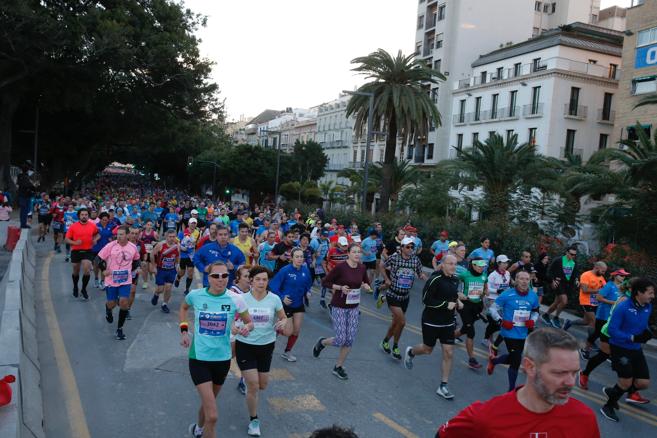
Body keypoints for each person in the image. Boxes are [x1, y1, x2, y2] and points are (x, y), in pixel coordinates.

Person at [437, 328, 601, 438]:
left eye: (575, 372)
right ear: (530, 367)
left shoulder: (584, 418)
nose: (571, 382)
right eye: (560, 373)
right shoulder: (485, 418)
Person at [180, 261, 253, 438]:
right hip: (199, 359)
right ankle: (203, 428)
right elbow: (183, 308)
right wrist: (184, 330)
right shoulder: (195, 295)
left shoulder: (236, 299)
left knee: (208, 405)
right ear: (208, 278)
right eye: (215, 276)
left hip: (222, 360)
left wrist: (246, 328)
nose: (220, 280)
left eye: (224, 276)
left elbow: (249, 322)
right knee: (212, 416)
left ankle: (198, 428)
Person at [235, 265, 290, 437]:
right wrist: (236, 328)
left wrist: (282, 322)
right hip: (245, 345)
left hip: (266, 346)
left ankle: (247, 379)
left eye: (264, 280)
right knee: (254, 385)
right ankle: (254, 420)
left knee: (263, 385)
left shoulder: (274, 299)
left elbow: (283, 317)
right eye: (257, 279)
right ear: (250, 280)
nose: (261, 282)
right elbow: (232, 319)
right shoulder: (241, 299)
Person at [403, 255, 461, 399]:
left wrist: (458, 301)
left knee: (449, 353)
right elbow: (426, 300)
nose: (453, 266)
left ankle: (443, 386)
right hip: (431, 321)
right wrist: (445, 305)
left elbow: (451, 295)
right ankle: (411, 352)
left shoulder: (455, 279)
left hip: (448, 322)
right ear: (443, 265)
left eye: (455, 264)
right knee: (427, 349)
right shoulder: (435, 279)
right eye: (450, 264)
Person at [313, 244, 372, 380]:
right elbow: (325, 282)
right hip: (338, 306)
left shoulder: (362, 268)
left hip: (354, 307)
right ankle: (322, 342)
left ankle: (338, 366)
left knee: (349, 340)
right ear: (348, 254)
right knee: (340, 339)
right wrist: (340, 287)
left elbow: (365, 282)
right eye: (354, 252)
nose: (357, 254)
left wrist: (366, 286)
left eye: (359, 252)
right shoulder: (340, 267)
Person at [600, 277, 654, 422]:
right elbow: (612, 330)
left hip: (636, 349)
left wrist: (648, 332)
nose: (652, 296)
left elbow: (643, 325)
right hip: (620, 347)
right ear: (639, 293)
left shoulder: (648, 307)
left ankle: (614, 391)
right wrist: (631, 338)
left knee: (643, 383)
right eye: (650, 293)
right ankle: (608, 406)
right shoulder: (623, 307)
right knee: (626, 381)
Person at [579, 269, 634, 388]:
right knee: (596, 335)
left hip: (614, 324)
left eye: (625, 276)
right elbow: (599, 298)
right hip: (604, 316)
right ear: (615, 276)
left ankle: (631, 390)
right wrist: (613, 303)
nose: (623, 278)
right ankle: (586, 350)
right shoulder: (609, 286)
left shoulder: (624, 292)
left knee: (617, 357)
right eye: (621, 275)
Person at [487, 271, 540, 392]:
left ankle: (494, 360)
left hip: (523, 332)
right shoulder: (507, 294)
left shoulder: (533, 296)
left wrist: (532, 320)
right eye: (521, 279)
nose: (524, 281)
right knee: (516, 360)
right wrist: (501, 321)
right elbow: (492, 309)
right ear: (516, 280)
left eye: (527, 279)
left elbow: (536, 311)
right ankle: (511, 391)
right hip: (509, 331)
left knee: (513, 358)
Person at [380, 236, 428, 359]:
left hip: (405, 296)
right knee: (401, 322)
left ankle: (385, 341)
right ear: (401, 248)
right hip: (393, 294)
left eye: (412, 247)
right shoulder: (394, 258)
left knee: (396, 322)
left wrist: (424, 277)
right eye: (407, 247)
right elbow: (382, 266)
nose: (410, 249)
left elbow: (419, 272)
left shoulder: (415, 260)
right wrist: (386, 279)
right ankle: (395, 346)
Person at [269, 248, 313, 362]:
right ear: (292, 258)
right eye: (297, 256)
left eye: (301, 256)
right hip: (286, 304)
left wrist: (308, 291)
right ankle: (276, 329)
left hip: (299, 304)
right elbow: (273, 286)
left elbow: (308, 284)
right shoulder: (285, 270)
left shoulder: (305, 270)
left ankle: (287, 352)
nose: (299, 259)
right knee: (288, 331)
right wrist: (282, 297)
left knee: (296, 330)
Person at [97, 225, 141, 340]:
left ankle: (119, 329)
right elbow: (99, 259)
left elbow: (136, 260)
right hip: (111, 280)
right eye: (118, 234)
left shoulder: (133, 247)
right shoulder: (110, 246)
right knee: (111, 303)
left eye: (121, 234)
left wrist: (133, 271)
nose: (119, 236)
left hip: (125, 280)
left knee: (123, 302)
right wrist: (104, 270)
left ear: (127, 235)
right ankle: (108, 309)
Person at [454, 258, 488, 369]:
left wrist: (484, 293)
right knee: (471, 331)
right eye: (479, 266)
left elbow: (485, 289)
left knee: (465, 328)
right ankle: (472, 359)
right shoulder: (464, 275)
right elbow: (452, 283)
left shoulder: (484, 276)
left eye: (483, 266)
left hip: (476, 306)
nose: (482, 268)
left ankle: (448, 337)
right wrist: (458, 293)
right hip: (465, 305)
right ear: (473, 265)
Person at [563, 261, 607, 336]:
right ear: (596, 268)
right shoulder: (586, 275)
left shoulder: (601, 277)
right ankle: (589, 343)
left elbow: (605, 288)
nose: (603, 273)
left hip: (595, 302)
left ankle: (569, 322)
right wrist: (599, 290)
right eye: (602, 271)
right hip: (586, 301)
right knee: (593, 321)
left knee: (585, 321)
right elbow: (585, 290)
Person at [64, 208, 99, 300]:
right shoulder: (73, 226)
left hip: (87, 251)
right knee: (76, 270)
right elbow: (66, 239)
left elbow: (97, 234)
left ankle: (83, 289)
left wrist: (95, 240)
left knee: (87, 270)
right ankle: (75, 286)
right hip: (76, 251)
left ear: (88, 216)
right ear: (79, 216)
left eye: (86, 214)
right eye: (82, 215)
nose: (84, 216)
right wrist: (75, 243)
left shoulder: (92, 225)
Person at [542, 246, 579, 328]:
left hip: (567, 285)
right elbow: (549, 271)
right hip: (558, 283)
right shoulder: (558, 260)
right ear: (566, 252)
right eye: (571, 254)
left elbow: (575, 274)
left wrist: (576, 280)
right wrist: (552, 281)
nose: (573, 256)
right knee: (564, 301)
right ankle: (556, 317)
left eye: (574, 255)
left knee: (556, 303)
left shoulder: (574, 263)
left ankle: (546, 315)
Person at [151, 229, 180, 313]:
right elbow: (152, 255)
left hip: (171, 270)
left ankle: (164, 304)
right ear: (166, 237)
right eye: (170, 237)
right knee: (160, 289)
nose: (172, 238)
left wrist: (177, 265)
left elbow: (178, 257)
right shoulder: (160, 245)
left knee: (168, 287)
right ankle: (156, 294)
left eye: (173, 237)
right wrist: (154, 266)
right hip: (161, 270)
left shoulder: (177, 246)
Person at [17, 164, 36, 229]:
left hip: (22, 195)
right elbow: (28, 185)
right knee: (25, 211)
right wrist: (33, 187)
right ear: (27, 170)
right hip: (25, 196)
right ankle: (23, 224)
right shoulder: (25, 177)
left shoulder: (20, 176)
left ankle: (23, 223)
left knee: (23, 210)